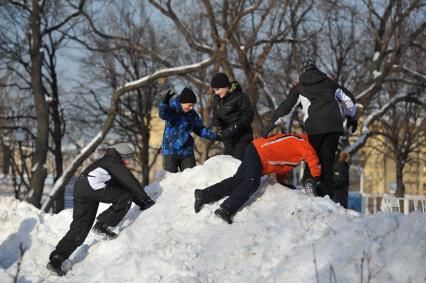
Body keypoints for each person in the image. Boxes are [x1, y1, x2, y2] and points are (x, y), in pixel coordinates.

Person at [46, 143, 155, 276]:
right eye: (126, 158)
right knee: (125, 197)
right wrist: (146, 200)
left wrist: (140, 202)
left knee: (80, 228)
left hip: (81, 187)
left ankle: (56, 260)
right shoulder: (113, 161)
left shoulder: (107, 162)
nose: (127, 162)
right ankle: (102, 225)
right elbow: (130, 181)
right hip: (92, 185)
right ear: (120, 155)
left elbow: (126, 185)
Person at [262, 59, 357, 200]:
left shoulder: (300, 87)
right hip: (334, 126)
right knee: (327, 162)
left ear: (302, 72)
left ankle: (309, 183)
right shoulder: (330, 83)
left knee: (311, 156)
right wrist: (351, 117)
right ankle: (328, 196)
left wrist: (271, 124)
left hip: (315, 127)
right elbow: (348, 99)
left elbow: (286, 106)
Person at [194, 133, 321, 224]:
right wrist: (315, 176)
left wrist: (283, 183)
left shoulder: (297, 152)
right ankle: (226, 210)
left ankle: (204, 195)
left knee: (237, 180)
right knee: (251, 183)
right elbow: (312, 159)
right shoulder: (303, 143)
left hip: (256, 151)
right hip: (260, 154)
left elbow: (281, 167)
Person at [159, 87, 219, 173]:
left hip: (187, 153)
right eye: (190, 105)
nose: (191, 108)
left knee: (191, 177)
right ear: (183, 101)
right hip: (170, 152)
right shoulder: (172, 109)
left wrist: (216, 136)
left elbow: (200, 130)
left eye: (192, 105)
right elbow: (163, 114)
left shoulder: (192, 114)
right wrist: (164, 103)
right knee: (170, 180)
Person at [210, 72, 254, 160]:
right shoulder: (216, 99)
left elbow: (248, 115)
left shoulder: (240, 97)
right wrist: (215, 120)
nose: (216, 92)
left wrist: (233, 128)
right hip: (228, 141)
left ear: (226, 86)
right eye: (214, 90)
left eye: (218, 89)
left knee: (237, 166)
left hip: (242, 139)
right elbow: (215, 114)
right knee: (226, 166)